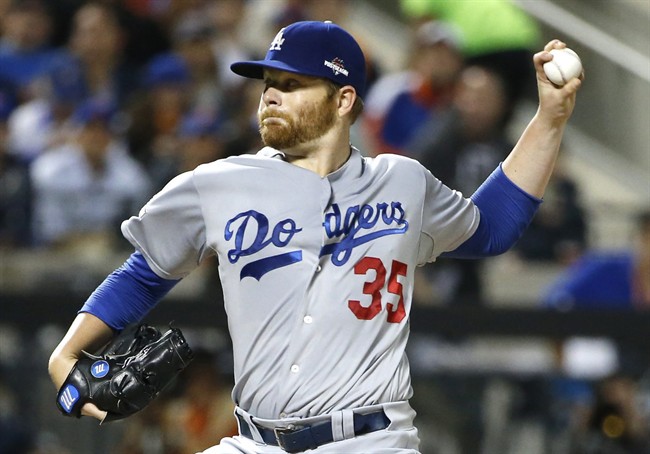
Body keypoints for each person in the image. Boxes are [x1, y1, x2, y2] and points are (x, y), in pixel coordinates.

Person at [48, 20, 582, 453]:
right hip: (253, 442)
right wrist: (67, 353)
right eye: (267, 84)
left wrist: (550, 119)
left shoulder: (401, 182)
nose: (270, 97)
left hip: (370, 440)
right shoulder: (215, 185)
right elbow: (144, 273)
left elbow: (489, 230)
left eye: (291, 84)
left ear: (343, 99)